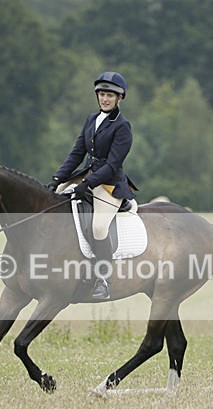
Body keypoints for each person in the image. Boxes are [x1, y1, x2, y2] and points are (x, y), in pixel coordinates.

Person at [48, 71, 136, 300]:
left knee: (98, 228)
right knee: (52, 199)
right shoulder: (91, 119)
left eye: (110, 95)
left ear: (120, 98)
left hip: (109, 185)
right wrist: (58, 178)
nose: (105, 99)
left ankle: (103, 279)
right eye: (102, 94)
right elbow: (77, 152)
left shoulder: (123, 126)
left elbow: (113, 163)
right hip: (86, 177)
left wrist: (87, 183)